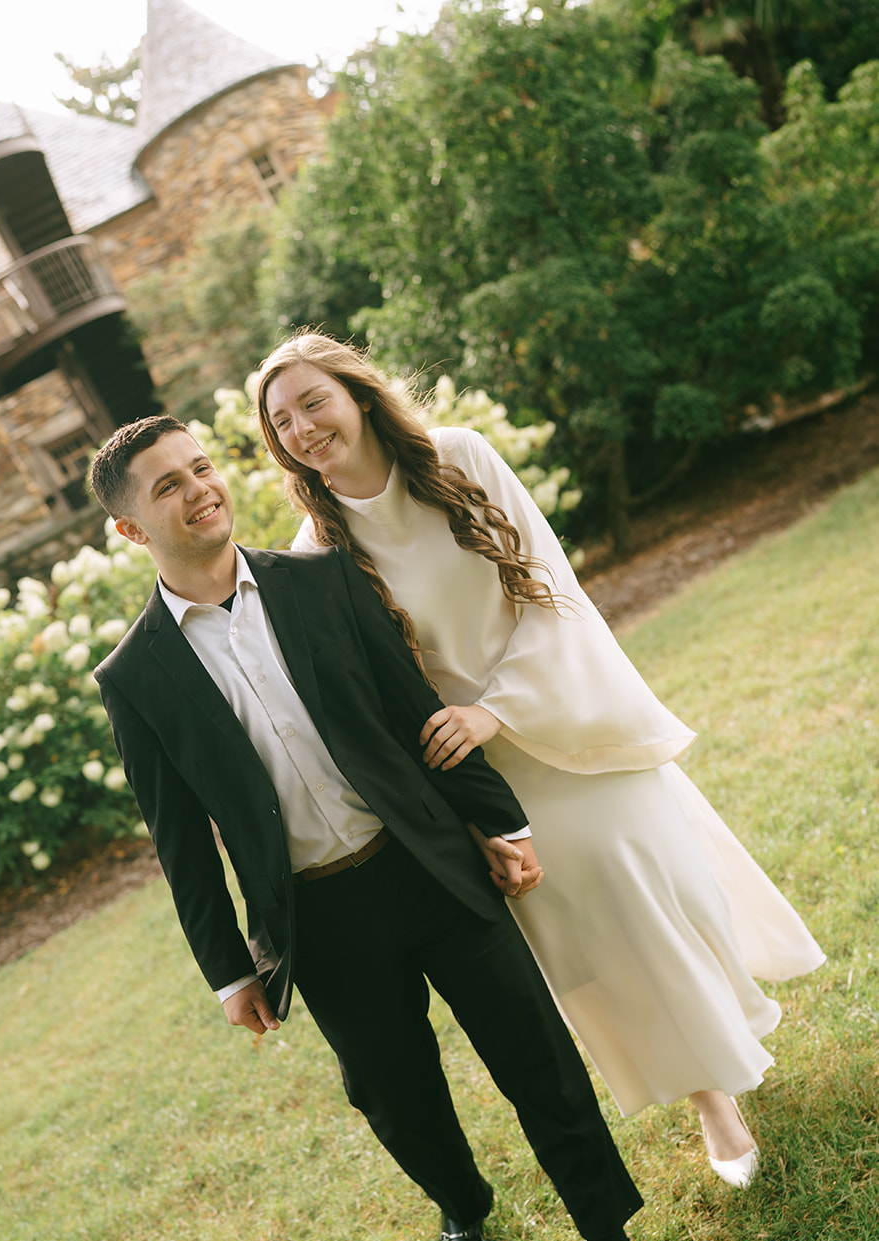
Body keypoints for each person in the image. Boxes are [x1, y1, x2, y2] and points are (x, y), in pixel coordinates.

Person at [89, 413, 719, 1241]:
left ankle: (610, 1239)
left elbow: (416, 709)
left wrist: (498, 824)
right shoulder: (136, 676)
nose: (200, 491)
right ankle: (462, 1209)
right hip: (318, 918)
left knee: (534, 1055)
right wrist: (229, 970)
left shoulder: (321, 583)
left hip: (426, 864)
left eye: (201, 468)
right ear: (129, 529)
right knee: (394, 1097)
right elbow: (178, 835)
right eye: (168, 487)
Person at [255, 333, 825, 1188]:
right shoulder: (316, 553)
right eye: (281, 421)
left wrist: (497, 708)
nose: (302, 427)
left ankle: (724, 1030)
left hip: (565, 708)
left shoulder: (462, 460)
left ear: (358, 395)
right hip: (483, 778)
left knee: (663, 892)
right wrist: (465, 777)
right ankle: (714, 1101)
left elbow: (549, 589)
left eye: (313, 402)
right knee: (594, 944)